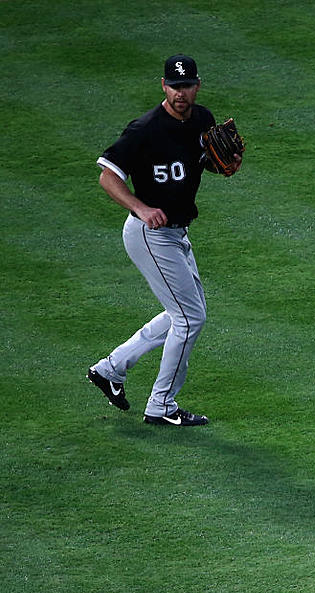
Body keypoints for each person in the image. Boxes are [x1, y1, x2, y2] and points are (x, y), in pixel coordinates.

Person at [86, 54, 241, 426]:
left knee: (183, 314)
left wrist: (223, 164)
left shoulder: (202, 119)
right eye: (174, 86)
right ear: (163, 86)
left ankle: (110, 370)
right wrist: (140, 207)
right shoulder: (144, 129)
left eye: (186, 86)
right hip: (150, 234)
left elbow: (198, 160)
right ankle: (161, 405)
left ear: (197, 86)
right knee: (190, 318)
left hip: (177, 232)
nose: (180, 93)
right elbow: (108, 176)